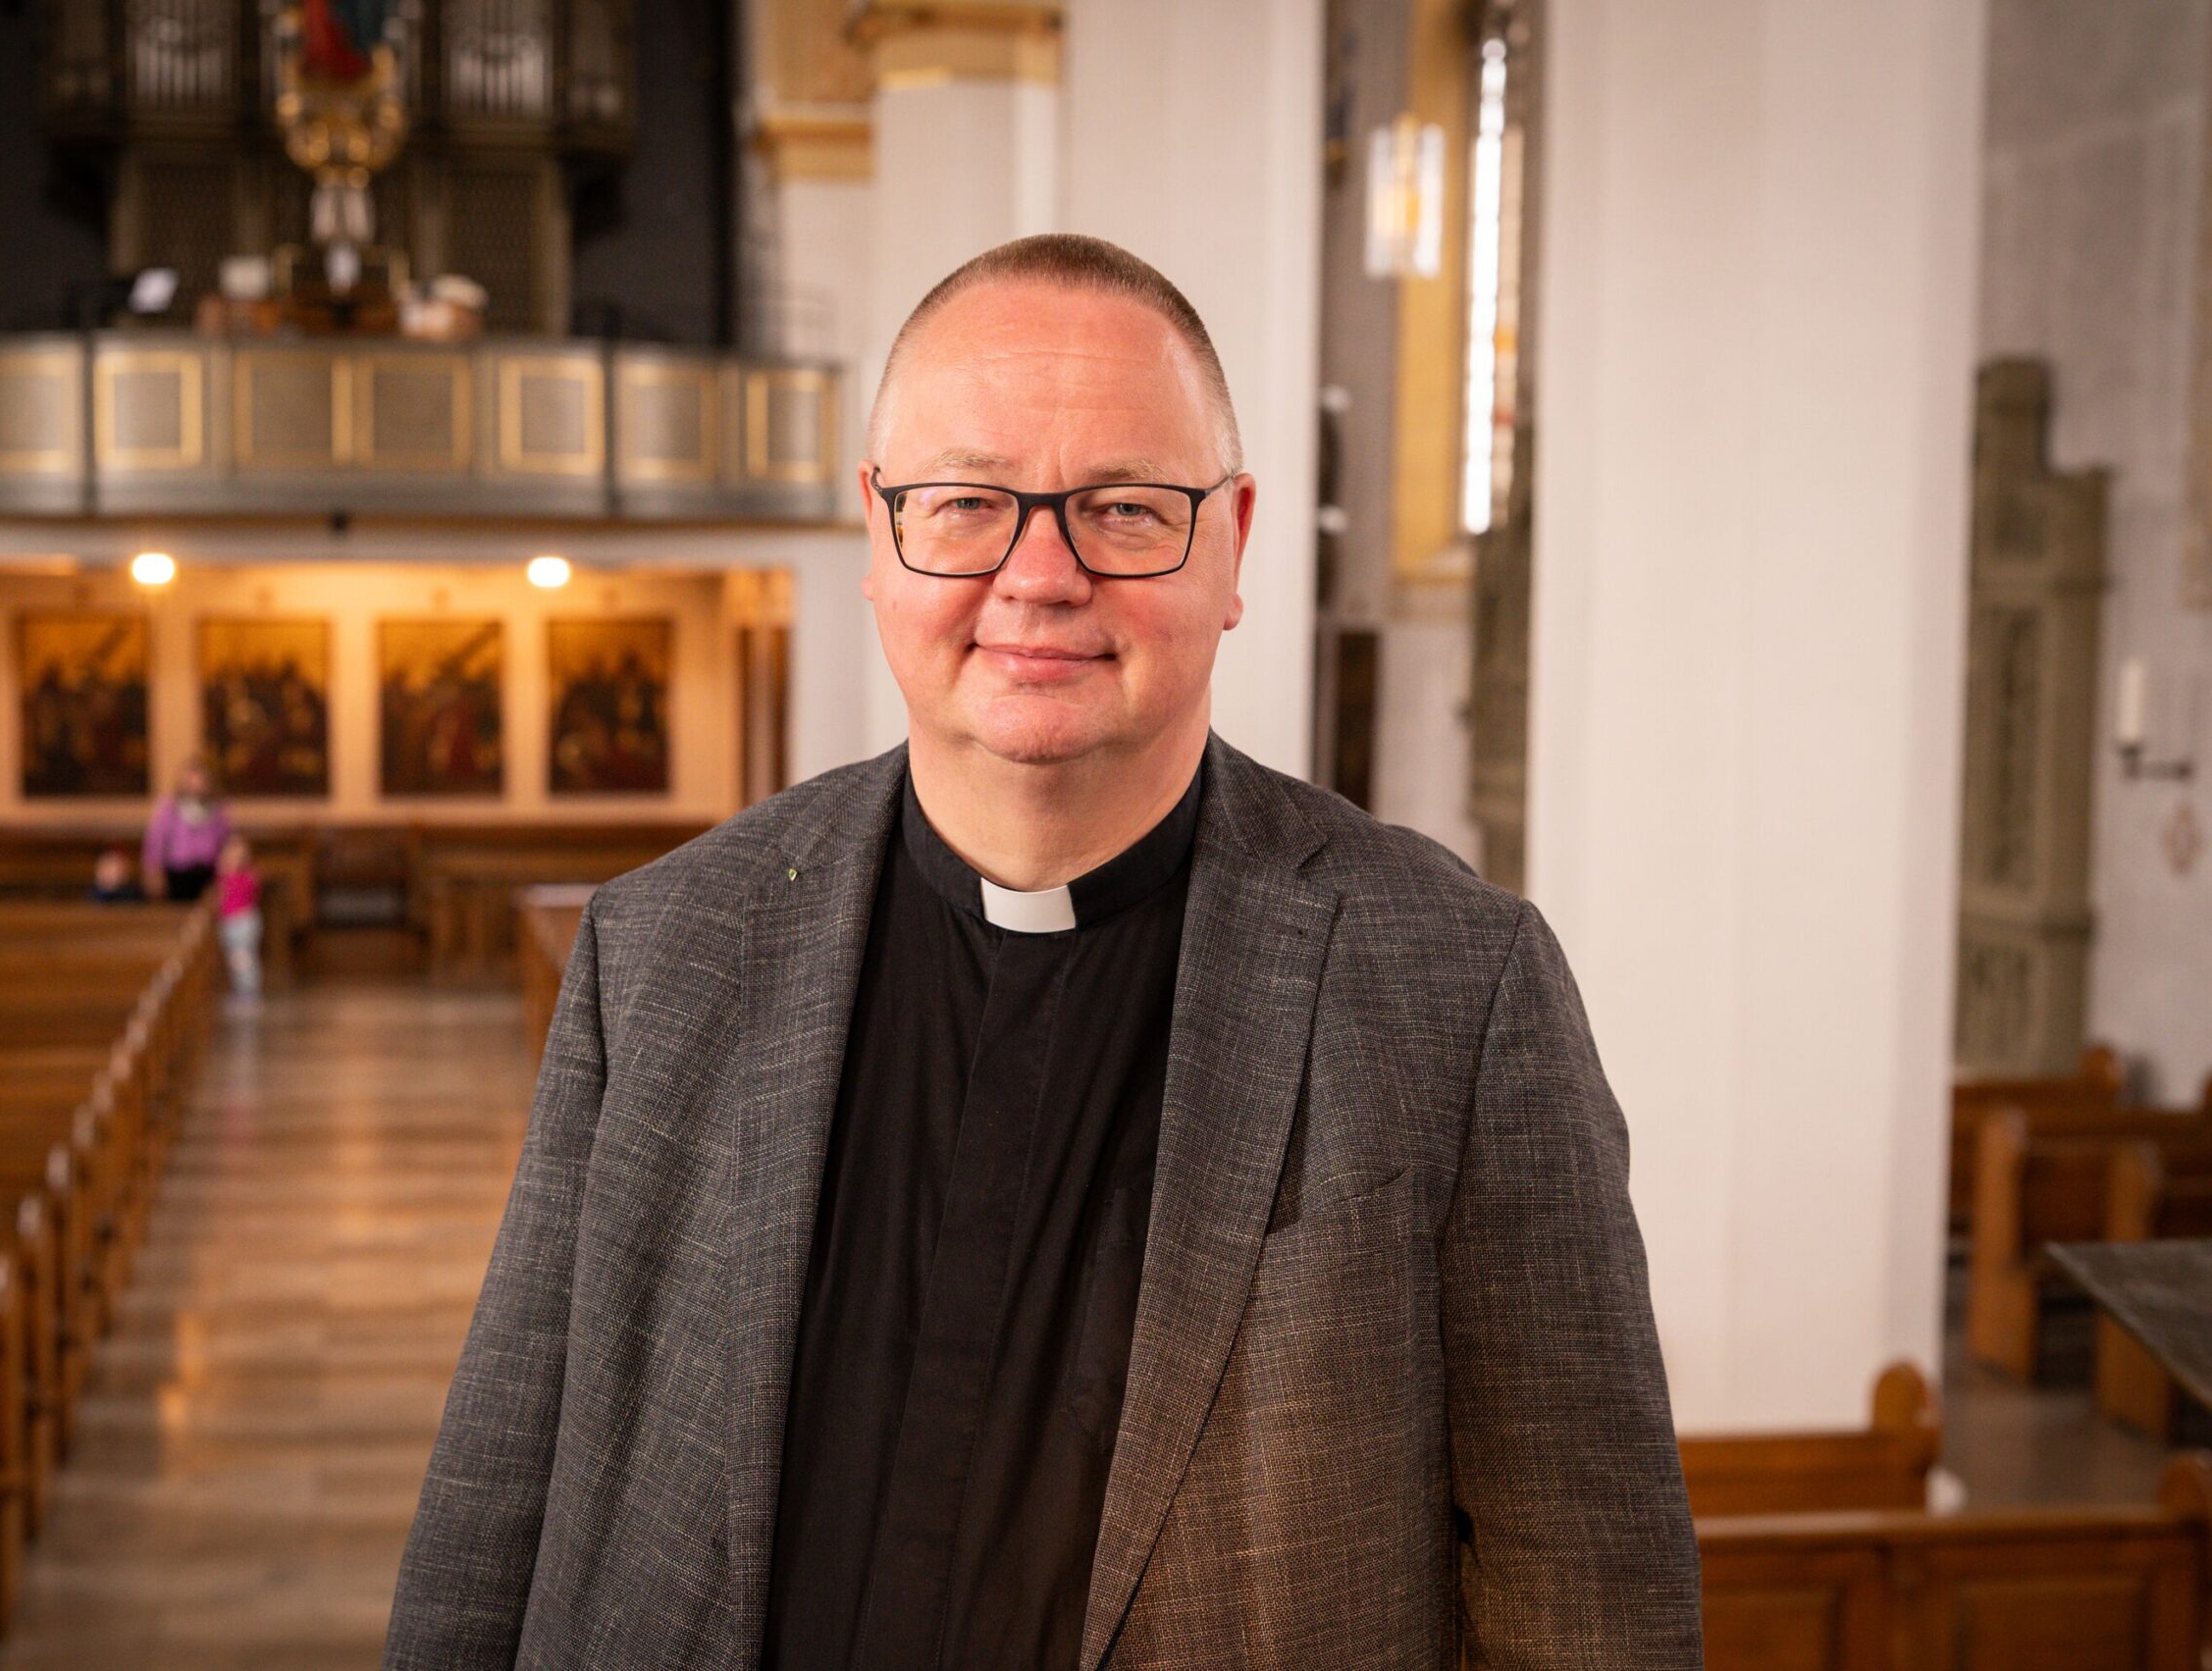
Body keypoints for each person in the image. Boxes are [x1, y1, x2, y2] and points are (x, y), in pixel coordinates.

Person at [385, 235, 1703, 1669]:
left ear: (1235, 545)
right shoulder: (666, 947)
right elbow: (491, 1518)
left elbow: (1594, 1605)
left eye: (1126, 509)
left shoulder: (1458, 985)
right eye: (967, 505)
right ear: (879, 536)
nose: (1041, 572)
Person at [141, 755, 232, 902]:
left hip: (208, 872)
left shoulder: (218, 808)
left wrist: (227, 871)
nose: (195, 784)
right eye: (191, 779)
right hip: (177, 873)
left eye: (200, 779)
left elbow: (226, 842)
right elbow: (156, 841)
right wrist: (153, 870)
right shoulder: (169, 807)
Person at [214, 835, 264, 998]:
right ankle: (240, 989)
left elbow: (254, 893)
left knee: (244, 956)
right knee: (235, 958)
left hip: (243, 920)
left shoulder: (248, 876)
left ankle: (248, 990)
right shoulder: (224, 877)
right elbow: (220, 898)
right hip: (228, 921)